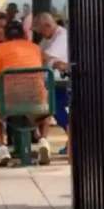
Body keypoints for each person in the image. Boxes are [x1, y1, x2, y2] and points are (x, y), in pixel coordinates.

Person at [0, 19, 51, 167]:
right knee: (45, 108)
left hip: (10, 102)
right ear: (24, 34)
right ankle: (43, 141)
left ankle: (2, 149)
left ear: (6, 35)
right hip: (37, 101)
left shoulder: (1, 48)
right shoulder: (34, 48)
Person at [37, 12, 69, 155]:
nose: (39, 33)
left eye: (39, 30)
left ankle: (73, 138)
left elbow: (44, 55)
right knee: (53, 107)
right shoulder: (48, 38)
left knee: (54, 107)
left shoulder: (61, 37)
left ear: (47, 26)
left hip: (64, 81)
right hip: (53, 80)